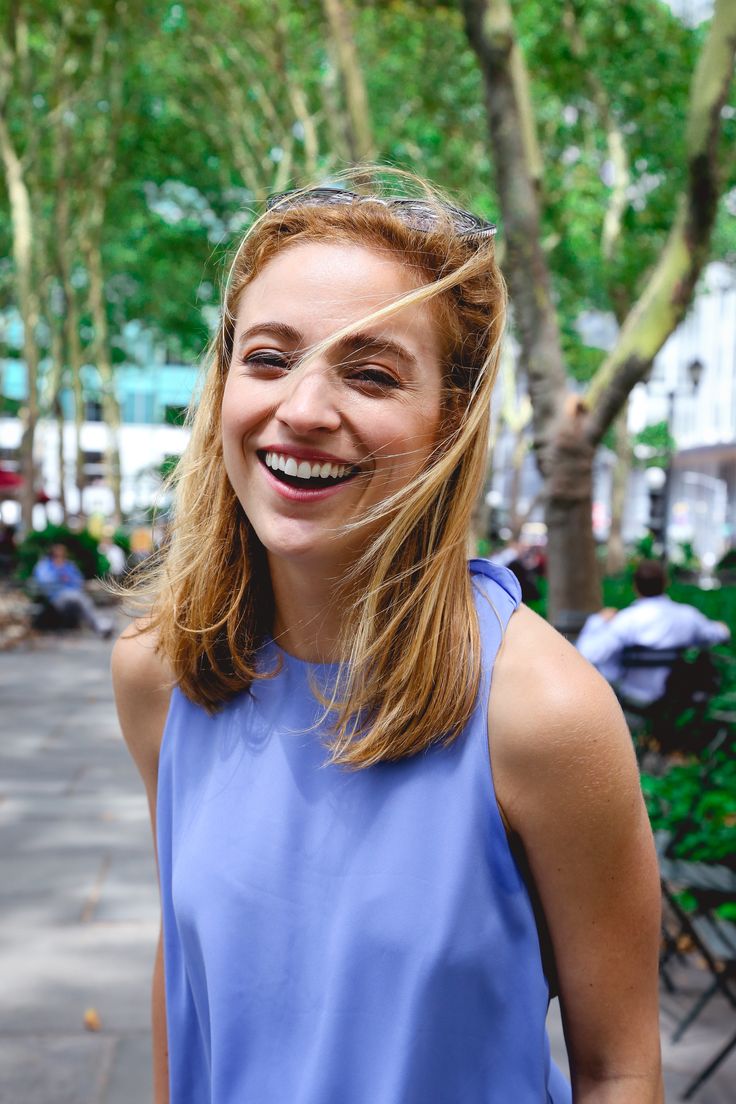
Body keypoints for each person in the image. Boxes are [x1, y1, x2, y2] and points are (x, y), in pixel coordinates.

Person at [112, 174, 663, 1103]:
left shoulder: (543, 715)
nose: (304, 409)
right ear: (222, 384)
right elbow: (190, 973)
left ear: (448, 421)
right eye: (269, 358)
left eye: (369, 373)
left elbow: (619, 1069)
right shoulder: (160, 674)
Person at [577, 559, 730, 707]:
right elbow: (718, 634)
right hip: (677, 700)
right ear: (666, 583)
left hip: (632, 698)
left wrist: (596, 621)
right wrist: (722, 627)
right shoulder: (686, 616)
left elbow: (587, 654)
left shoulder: (626, 621)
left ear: (635, 586)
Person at [33, 543, 113, 637]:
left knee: (80, 600)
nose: (60, 557)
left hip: (73, 596)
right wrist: (59, 573)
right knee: (79, 599)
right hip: (56, 598)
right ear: (52, 555)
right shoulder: (45, 565)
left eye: (62, 555)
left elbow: (78, 580)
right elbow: (45, 581)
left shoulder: (68, 565)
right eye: (57, 555)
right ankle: (100, 625)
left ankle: (100, 625)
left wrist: (68, 577)